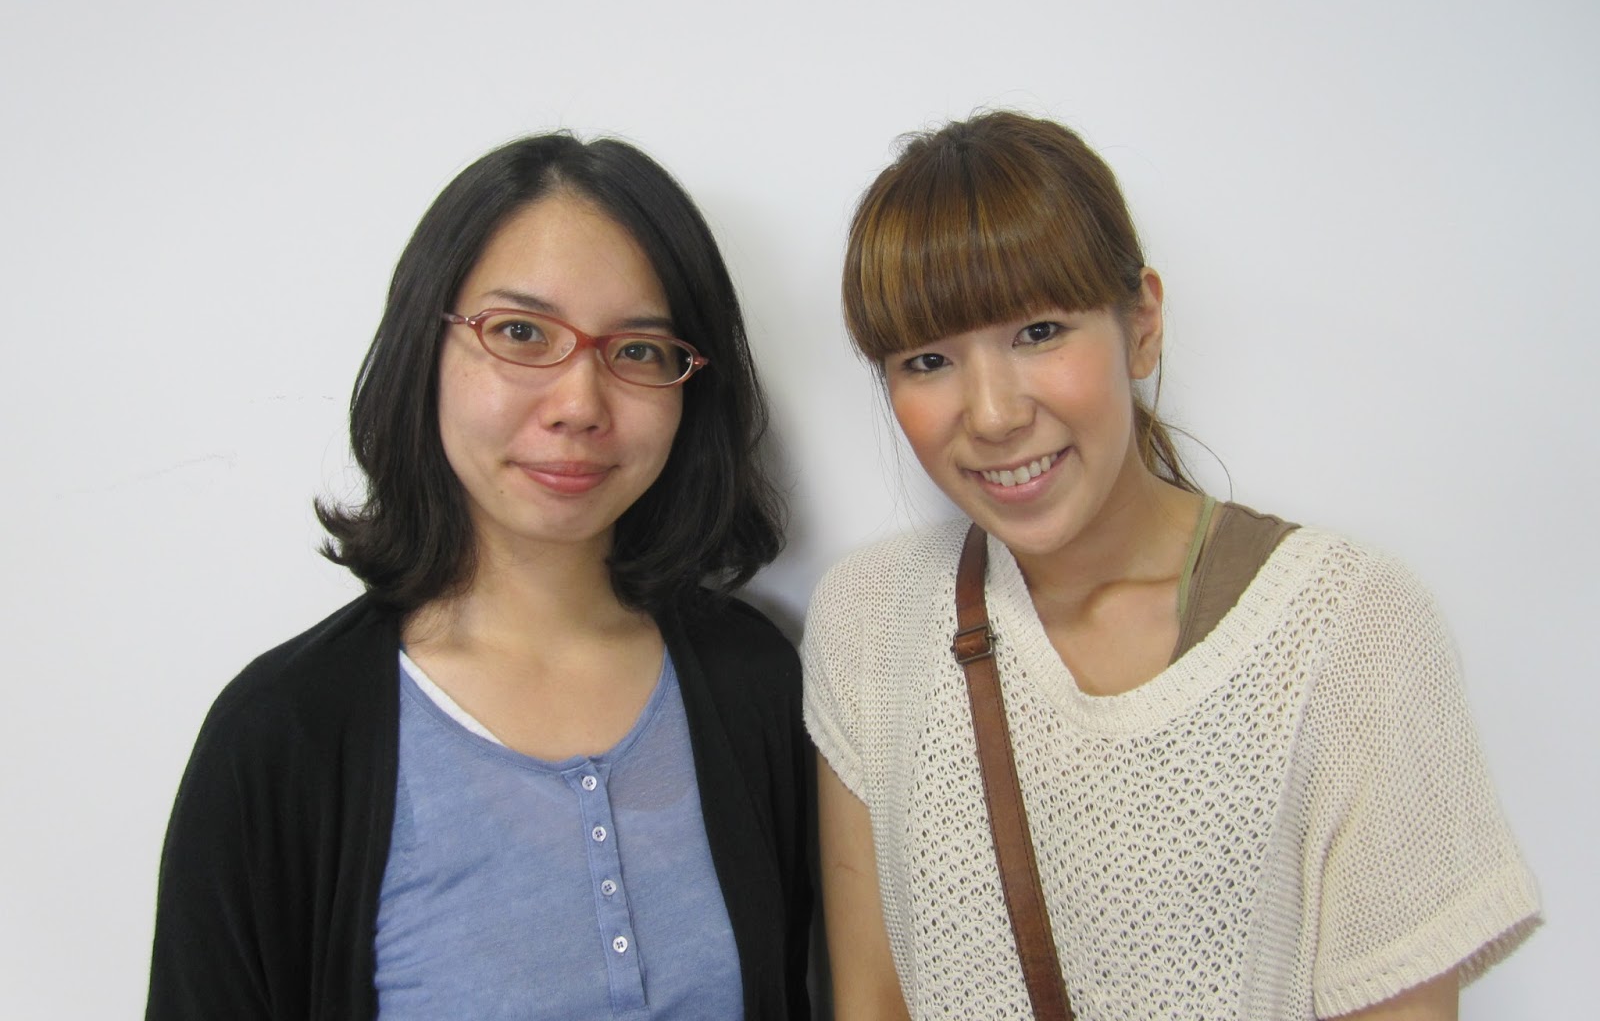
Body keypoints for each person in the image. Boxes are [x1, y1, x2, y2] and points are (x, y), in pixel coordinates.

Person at [803, 111, 1539, 1020]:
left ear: (1141, 325)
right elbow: (873, 1001)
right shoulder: (870, 618)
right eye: (927, 360)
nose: (993, 415)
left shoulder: (1350, 629)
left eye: (1039, 331)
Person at [146, 133, 811, 1020]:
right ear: (425, 349)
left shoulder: (754, 682)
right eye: (521, 333)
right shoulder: (281, 738)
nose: (579, 405)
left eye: (639, 351)